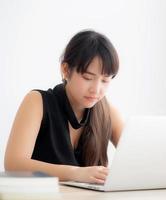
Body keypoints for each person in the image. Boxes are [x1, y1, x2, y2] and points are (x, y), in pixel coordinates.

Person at [4, 30, 124, 184]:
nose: (96, 89)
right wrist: (75, 173)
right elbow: (13, 164)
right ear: (66, 70)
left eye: (105, 80)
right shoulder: (37, 102)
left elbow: (138, 158)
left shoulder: (108, 112)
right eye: (88, 78)